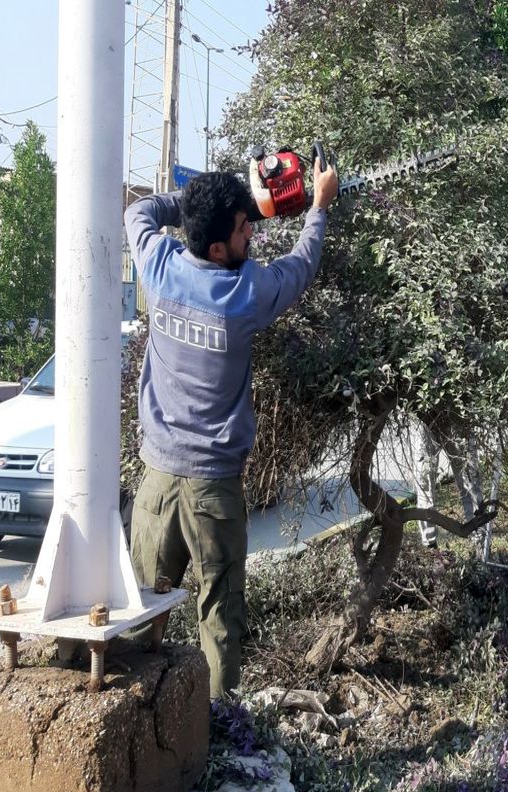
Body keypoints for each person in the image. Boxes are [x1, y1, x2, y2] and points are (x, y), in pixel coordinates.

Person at [124, 158, 339, 698]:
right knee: (219, 618)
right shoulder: (246, 296)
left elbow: (141, 212)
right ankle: (221, 730)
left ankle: (137, 724)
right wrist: (318, 207)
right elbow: (301, 266)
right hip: (213, 490)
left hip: (155, 484)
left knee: (141, 611)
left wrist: (200, 207)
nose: (253, 233)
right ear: (218, 249)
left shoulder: (159, 267)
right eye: (245, 229)